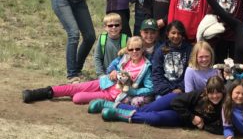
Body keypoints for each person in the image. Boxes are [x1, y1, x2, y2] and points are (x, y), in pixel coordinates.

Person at [22, 36, 153, 105]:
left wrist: (132, 91)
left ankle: (69, 90)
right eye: (131, 49)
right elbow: (111, 69)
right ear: (128, 50)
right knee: (75, 88)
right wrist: (112, 72)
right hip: (105, 82)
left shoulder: (146, 66)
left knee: (77, 98)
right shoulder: (124, 59)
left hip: (113, 95)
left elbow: (150, 88)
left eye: (138, 49)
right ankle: (39, 93)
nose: (134, 52)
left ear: (142, 49)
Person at [89, 76, 225, 134]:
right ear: (206, 91)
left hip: (179, 117)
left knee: (155, 118)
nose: (215, 96)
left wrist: (204, 126)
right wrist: (193, 118)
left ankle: (119, 115)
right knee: (146, 109)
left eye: (218, 93)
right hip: (176, 101)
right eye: (211, 93)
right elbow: (176, 103)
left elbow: (222, 128)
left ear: (223, 92)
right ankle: (107, 104)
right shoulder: (199, 94)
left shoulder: (224, 106)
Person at [151, 21, 192, 97]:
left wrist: (180, 88)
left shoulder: (189, 50)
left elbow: (191, 72)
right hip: (164, 92)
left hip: (183, 91)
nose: (176, 36)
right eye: (173, 33)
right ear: (168, 34)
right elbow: (157, 74)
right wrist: (169, 91)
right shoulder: (160, 51)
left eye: (179, 33)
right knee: (159, 105)